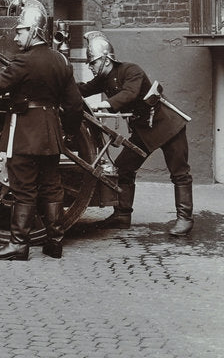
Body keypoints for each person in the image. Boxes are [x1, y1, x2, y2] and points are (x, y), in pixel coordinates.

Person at [0, 0, 84, 261]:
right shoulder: (61, 61)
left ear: (33, 31)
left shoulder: (24, 62)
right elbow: (75, 106)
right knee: (52, 187)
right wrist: (67, 133)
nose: (16, 35)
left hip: (24, 134)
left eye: (20, 31)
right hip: (51, 134)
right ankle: (54, 242)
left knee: (24, 189)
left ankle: (19, 244)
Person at [78, 31, 193, 236]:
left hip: (167, 124)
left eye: (93, 62)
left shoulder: (131, 70)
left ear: (105, 59)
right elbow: (84, 89)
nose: (91, 67)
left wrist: (104, 104)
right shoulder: (103, 79)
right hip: (144, 129)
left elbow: (129, 94)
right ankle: (122, 215)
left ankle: (185, 218)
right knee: (123, 167)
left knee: (179, 172)